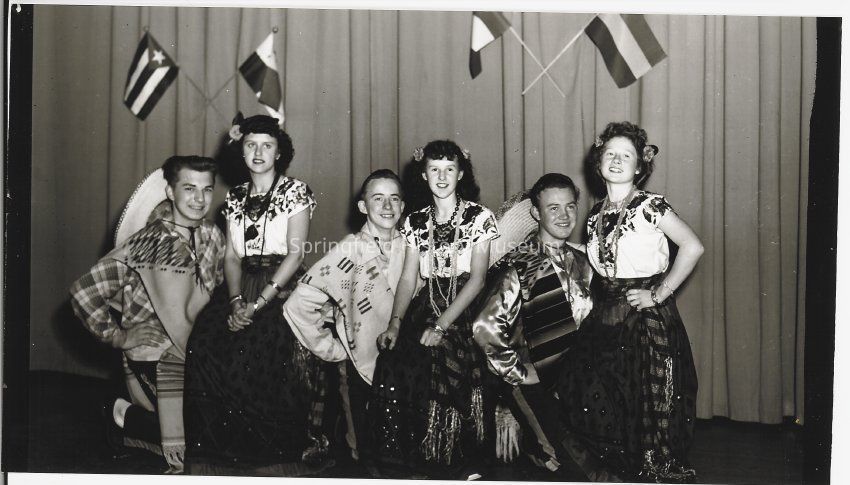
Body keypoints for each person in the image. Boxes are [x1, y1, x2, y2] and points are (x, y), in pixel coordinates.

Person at [183, 114, 329, 475]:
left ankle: (269, 457)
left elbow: (295, 255)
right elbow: (232, 257)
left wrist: (258, 304)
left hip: (281, 283)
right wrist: (235, 301)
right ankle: (217, 455)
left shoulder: (295, 191)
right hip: (241, 283)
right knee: (204, 342)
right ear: (241, 151)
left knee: (259, 346)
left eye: (267, 145)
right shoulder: (234, 196)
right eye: (250, 145)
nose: (258, 152)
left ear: (279, 152)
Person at [558, 121, 702, 483]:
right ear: (599, 162)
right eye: (610, 153)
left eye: (626, 155)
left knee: (646, 405)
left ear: (640, 166)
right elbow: (603, 262)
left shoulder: (651, 206)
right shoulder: (595, 214)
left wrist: (658, 293)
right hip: (606, 316)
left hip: (644, 318)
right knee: (599, 395)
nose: (617, 160)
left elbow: (693, 246)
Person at [70, 155, 226, 474]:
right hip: (156, 354)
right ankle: (124, 416)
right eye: (189, 188)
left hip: (197, 350)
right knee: (203, 443)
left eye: (206, 189)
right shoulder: (146, 242)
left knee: (232, 425)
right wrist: (120, 337)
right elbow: (83, 292)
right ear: (170, 192)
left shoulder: (212, 235)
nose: (199, 199)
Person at [368, 140, 499, 479]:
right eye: (434, 169)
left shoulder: (478, 217)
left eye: (449, 169)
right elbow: (408, 279)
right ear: (424, 175)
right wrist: (395, 324)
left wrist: (441, 326)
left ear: (461, 173)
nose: (442, 177)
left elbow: (478, 280)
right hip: (426, 305)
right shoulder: (414, 221)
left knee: (446, 355)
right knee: (394, 359)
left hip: (465, 307)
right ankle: (414, 459)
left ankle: (457, 460)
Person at [472, 173, 594, 481]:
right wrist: (518, 372)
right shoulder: (520, 263)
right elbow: (484, 326)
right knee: (570, 463)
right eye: (553, 208)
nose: (564, 215)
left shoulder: (584, 261)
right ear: (536, 214)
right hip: (533, 378)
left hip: (573, 378)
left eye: (570, 206)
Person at [283, 169, 406, 464]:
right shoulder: (349, 250)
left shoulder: (411, 247)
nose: (387, 206)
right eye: (378, 198)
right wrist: (333, 349)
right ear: (362, 206)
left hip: (403, 364)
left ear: (403, 206)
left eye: (394, 199)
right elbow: (297, 304)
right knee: (364, 451)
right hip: (359, 367)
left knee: (399, 452)